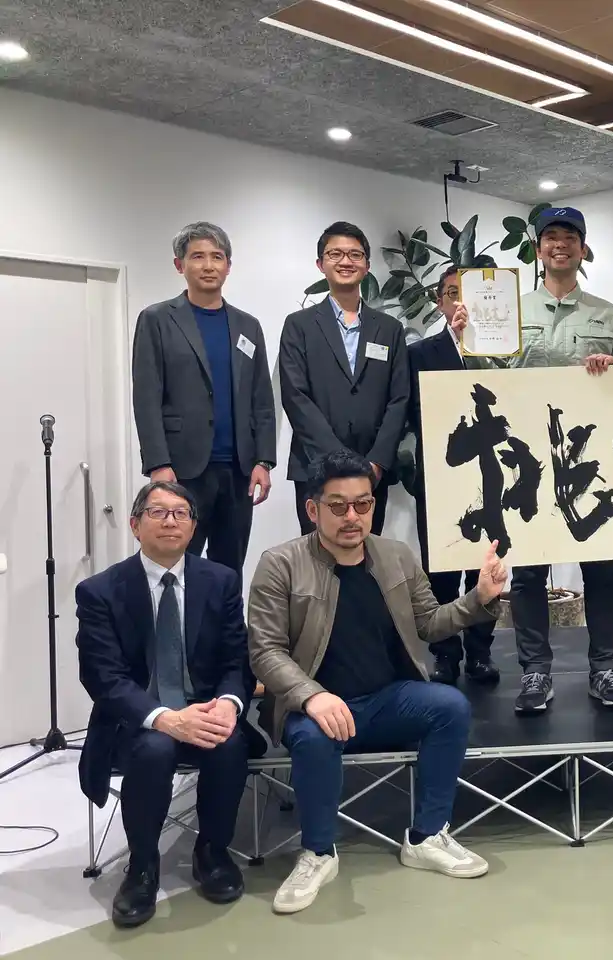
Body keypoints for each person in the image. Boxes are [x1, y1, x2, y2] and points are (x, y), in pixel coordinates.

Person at [248, 450, 505, 915]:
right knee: (313, 737)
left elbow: (429, 622)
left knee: (449, 707)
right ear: (313, 510)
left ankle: (427, 836)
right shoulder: (280, 564)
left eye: (362, 504)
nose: (352, 516)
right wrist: (312, 696)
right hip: (315, 708)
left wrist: (479, 598)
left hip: (386, 700)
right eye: (338, 506)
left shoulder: (396, 556)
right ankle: (318, 853)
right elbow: (265, 651)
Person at [76, 481, 251, 928]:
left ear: (193, 527)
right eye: (158, 512)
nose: (170, 521)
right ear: (135, 525)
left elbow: (236, 660)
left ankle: (212, 852)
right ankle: (142, 866)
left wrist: (229, 703)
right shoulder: (100, 591)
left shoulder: (221, 581)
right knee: (154, 748)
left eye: (181, 513)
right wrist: (163, 718)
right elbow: (103, 677)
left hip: (204, 708)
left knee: (229, 742)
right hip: (135, 719)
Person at [506, 206, 613, 714]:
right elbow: (482, 379)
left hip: (594, 461)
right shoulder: (511, 311)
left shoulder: (608, 316)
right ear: (537, 249)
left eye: (570, 236)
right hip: (527, 460)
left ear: (583, 249)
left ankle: (604, 667)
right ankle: (535, 672)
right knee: (527, 573)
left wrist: (612, 372)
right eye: (550, 236)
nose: (559, 244)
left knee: (601, 569)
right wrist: (463, 337)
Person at [131, 222, 275, 581]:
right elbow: (146, 397)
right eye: (197, 257)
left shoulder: (248, 326)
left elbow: (261, 398)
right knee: (175, 565)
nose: (208, 265)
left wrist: (263, 460)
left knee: (230, 570)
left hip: (238, 470)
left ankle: (225, 622)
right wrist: (158, 464)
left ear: (228, 266)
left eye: (217, 257)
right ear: (179, 265)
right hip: (182, 469)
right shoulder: (157, 319)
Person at [279, 221, 410, 535]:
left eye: (355, 254)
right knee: (316, 555)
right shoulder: (299, 325)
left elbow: (400, 398)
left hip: (373, 471)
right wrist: (337, 462)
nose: (345, 261)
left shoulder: (389, 329)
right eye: (335, 254)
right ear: (320, 264)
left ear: (367, 265)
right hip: (315, 466)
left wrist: (375, 462)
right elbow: (295, 396)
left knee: (367, 553)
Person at [406, 265, 499, 686]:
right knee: (441, 568)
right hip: (441, 474)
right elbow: (412, 413)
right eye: (451, 292)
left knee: (486, 564)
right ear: (440, 302)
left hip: (493, 474)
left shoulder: (502, 353)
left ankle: (481, 652)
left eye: (470, 292)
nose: (461, 300)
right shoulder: (420, 353)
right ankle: (445, 653)